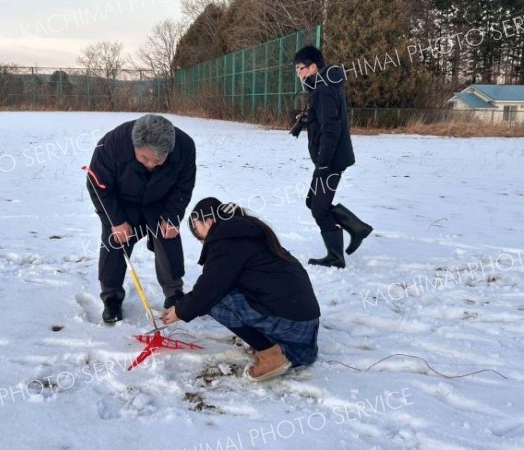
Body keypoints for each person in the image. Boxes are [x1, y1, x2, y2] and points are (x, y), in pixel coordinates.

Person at [161, 197, 321, 382]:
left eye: (198, 231)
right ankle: (274, 344)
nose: (200, 240)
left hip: (292, 325)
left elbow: (209, 290)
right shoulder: (246, 231)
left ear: (209, 222)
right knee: (221, 291)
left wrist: (180, 310)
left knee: (214, 300)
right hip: (306, 325)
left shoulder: (227, 241)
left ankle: (270, 354)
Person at [86, 114, 196, 323]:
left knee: (168, 237)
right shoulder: (112, 144)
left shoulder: (185, 146)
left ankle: (174, 293)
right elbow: (97, 186)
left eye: (159, 159)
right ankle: (111, 297)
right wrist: (115, 221)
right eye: (145, 158)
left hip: (161, 201)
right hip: (122, 203)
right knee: (114, 243)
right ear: (135, 145)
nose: (152, 164)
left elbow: (184, 185)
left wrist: (172, 216)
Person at [292, 45, 372, 269]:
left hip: (332, 160)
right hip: (330, 158)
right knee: (313, 202)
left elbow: (332, 128)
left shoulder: (324, 88)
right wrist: (308, 119)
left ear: (313, 67)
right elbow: (327, 118)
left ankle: (340, 251)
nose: (299, 74)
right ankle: (356, 228)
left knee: (318, 207)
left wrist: (324, 163)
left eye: (301, 69)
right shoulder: (323, 85)